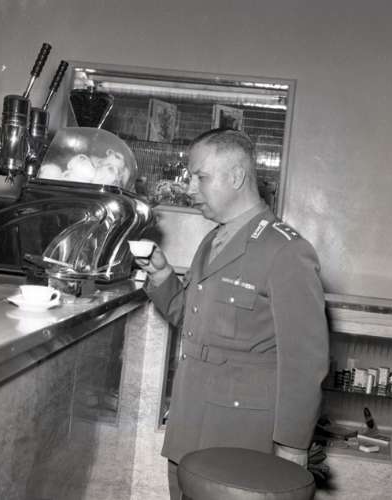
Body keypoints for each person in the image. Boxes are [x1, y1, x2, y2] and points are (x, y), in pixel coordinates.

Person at [135, 129, 329, 499]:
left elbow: (306, 361)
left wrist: (292, 447)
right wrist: (161, 276)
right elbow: (192, 322)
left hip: (241, 440)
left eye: (200, 177)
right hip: (189, 427)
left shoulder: (286, 250)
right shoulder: (215, 239)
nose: (189, 188)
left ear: (237, 176)